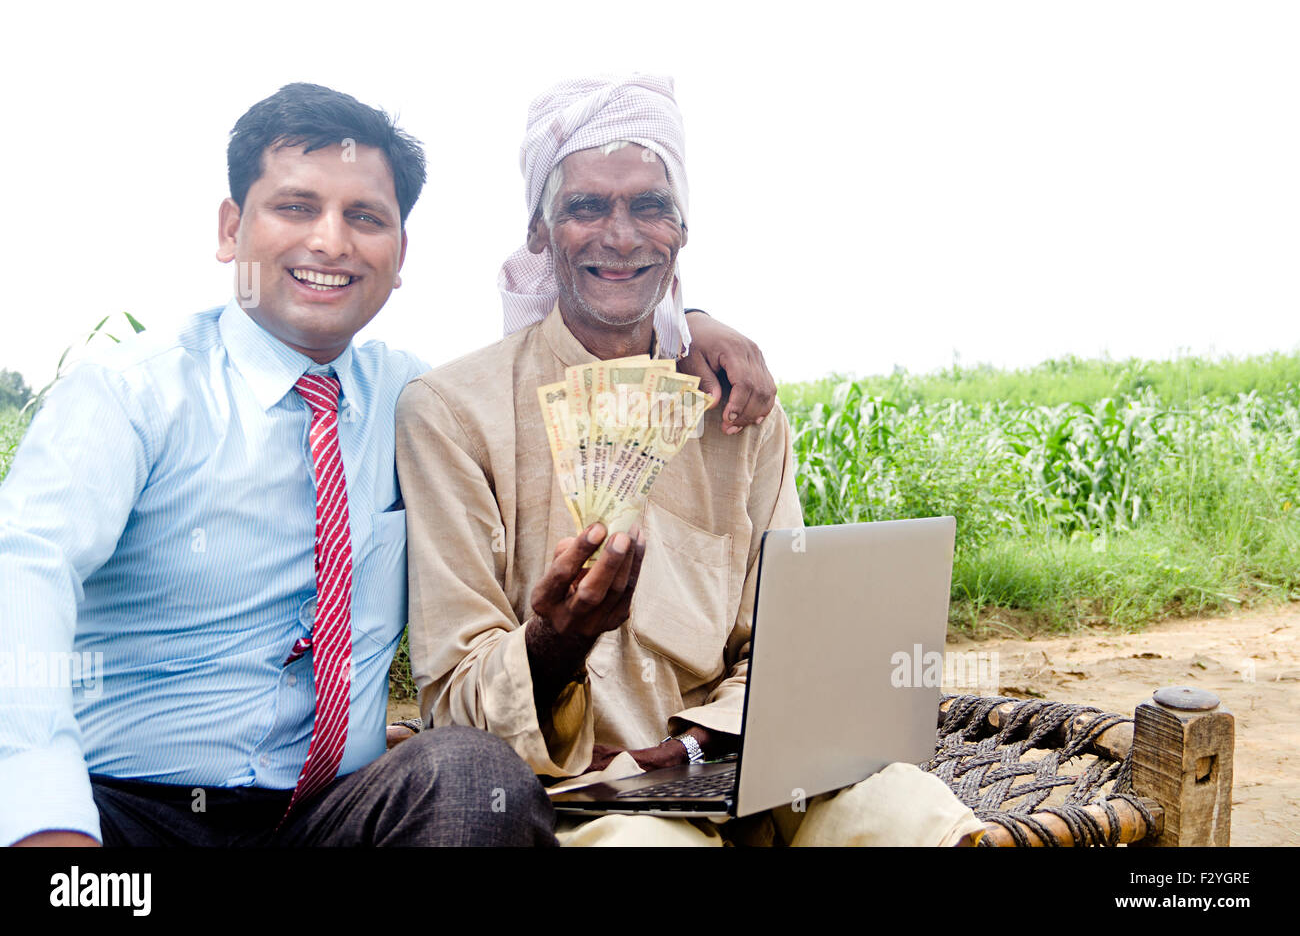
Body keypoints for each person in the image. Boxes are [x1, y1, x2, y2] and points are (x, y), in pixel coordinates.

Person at [0, 82, 775, 848]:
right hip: (133, 810)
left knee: (476, 776)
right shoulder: (134, 396)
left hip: (329, 816)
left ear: (400, 254)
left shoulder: (407, 396)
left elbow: (594, 324)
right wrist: (47, 820)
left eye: (365, 218)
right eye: (297, 207)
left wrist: (689, 319)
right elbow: (23, 575)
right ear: (232, 227)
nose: (332, 243)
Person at [395, 75, 985, 846]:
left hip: (739, 762)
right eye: (585, 206)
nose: (621, 234)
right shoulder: (452, 413)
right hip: (579, 791)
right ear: (539, 232)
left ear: (682, 229)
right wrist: (558, 642)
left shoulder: (739, 411)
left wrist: (697, 745)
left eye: (649, 205)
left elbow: (782, 647)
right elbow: (454, 696)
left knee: (913, 814)